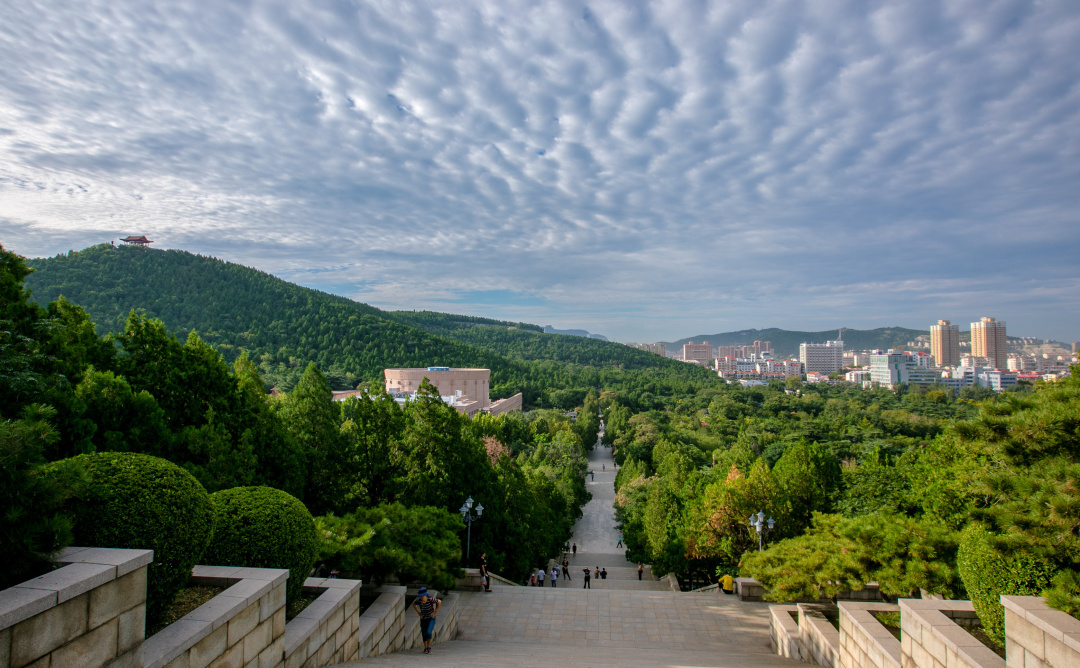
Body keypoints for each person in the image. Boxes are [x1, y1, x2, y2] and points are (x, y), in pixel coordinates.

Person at [412, 587, 441, 654]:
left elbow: (439, 601)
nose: (422, 597)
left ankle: (428, 646)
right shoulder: (419, 601)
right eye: (420, 596)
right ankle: (425, 647)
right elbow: (413, 604)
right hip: (423, 618)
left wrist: (435, 611)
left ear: (425, 595)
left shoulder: (430, 600)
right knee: (424, 633)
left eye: (423, 596)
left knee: (428, 632)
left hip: (431, 618)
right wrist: (419, 613)